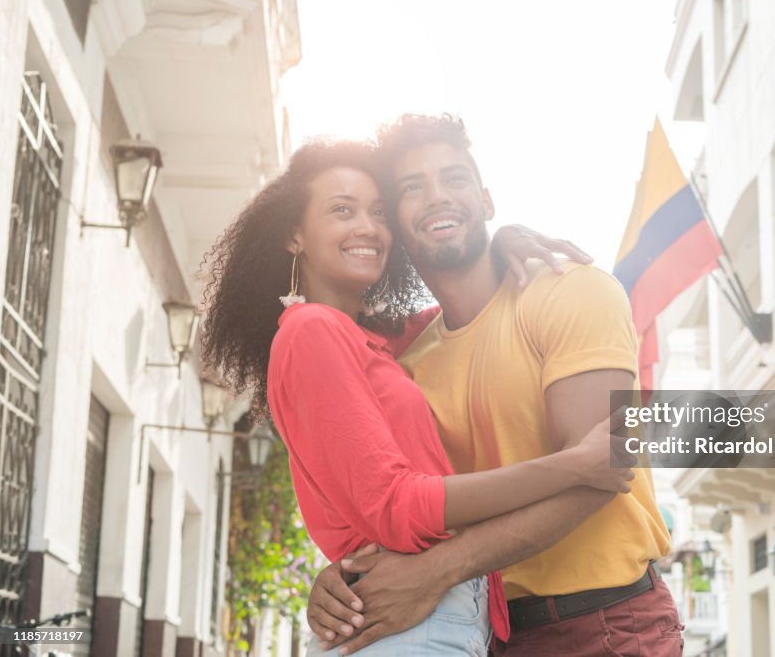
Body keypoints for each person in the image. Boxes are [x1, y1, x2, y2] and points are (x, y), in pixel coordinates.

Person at [200, 139, 638, 656]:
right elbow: (394, 505)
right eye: (342, 210)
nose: (366, 226)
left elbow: (463, 308)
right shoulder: (312, 330)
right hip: (418, 619)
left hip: (470, 616)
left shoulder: (385, 343)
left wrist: (494, 242)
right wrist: (574, 464)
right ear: (294, 235)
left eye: (378, 212)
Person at [308, 115, 683, 656]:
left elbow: (602, 474)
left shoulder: (572, 290)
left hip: (604, 624)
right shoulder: (407, 359)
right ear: (392, 222)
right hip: (485, 636)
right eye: (412, 188)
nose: (437, 197)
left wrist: (436, 571)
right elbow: (408, 506)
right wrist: (343, 581)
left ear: (486, 200)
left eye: (454, 179)